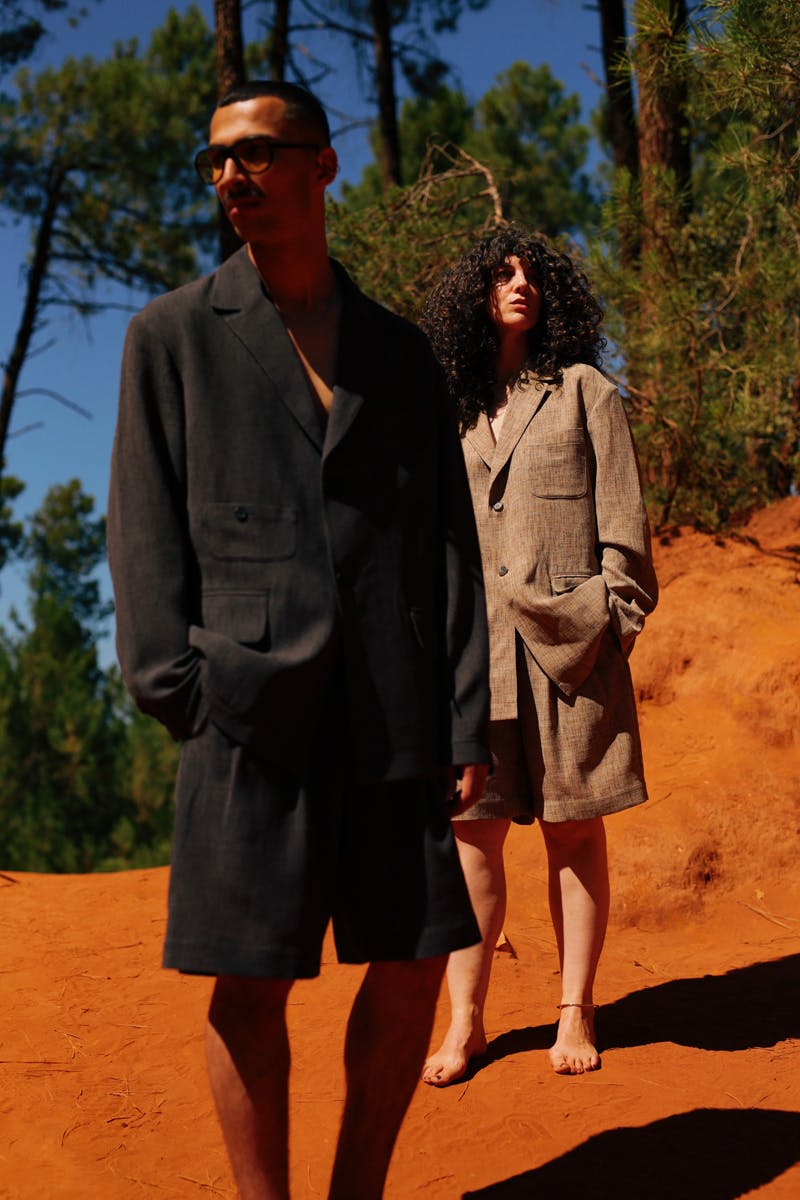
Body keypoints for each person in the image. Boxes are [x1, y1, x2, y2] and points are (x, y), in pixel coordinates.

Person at [107, 80, 490, 1199]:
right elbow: (142, 530)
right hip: (247, 713)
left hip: (393, 709)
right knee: (248, 982)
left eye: (259, 152)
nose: (233, 174)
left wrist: (464, 714)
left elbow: (448, 543)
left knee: (415, 962)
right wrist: (185, 689)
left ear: (323, 165)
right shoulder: (171, 336)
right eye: (217, 159)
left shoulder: (400, 354)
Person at [419, 225, 658, 1082]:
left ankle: (575, 1009)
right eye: (502, 273)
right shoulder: (446, 412)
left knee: (574, 834)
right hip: (470, 659)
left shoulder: (585, 390)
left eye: (532, 274)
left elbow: (626, 539)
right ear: (474, 297)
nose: (520, 284)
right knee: (471, 839)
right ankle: (466, 1022)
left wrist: (604, 630)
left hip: (571, 656)